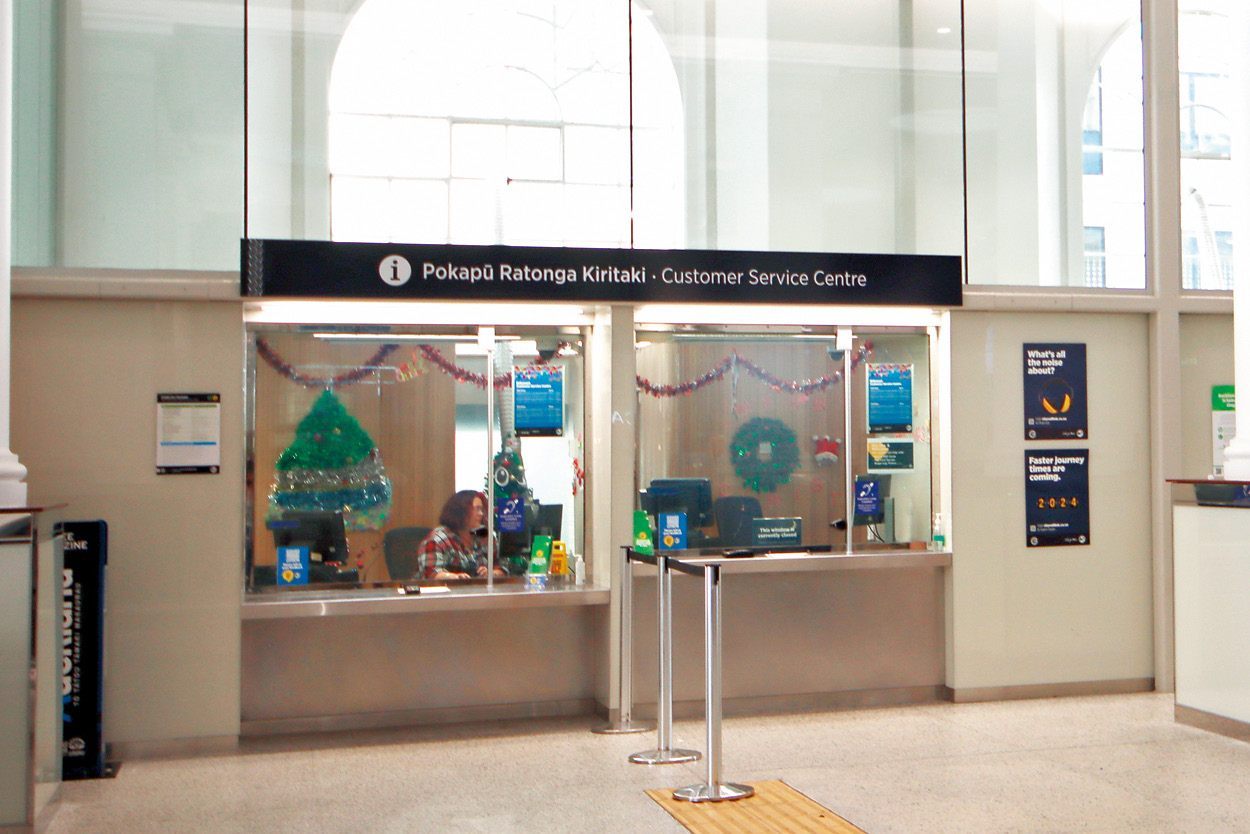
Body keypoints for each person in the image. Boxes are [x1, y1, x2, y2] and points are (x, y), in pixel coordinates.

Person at [417, 490, 507, 580]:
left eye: (482, 509)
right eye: (477, 509)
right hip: (449, 588)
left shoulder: (485, 537)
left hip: (481, 588)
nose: (481, 514)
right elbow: (431, 574)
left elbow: (503, 568)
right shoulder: (437, 540)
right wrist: (455, 577)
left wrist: (492, 573)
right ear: (461, 512)